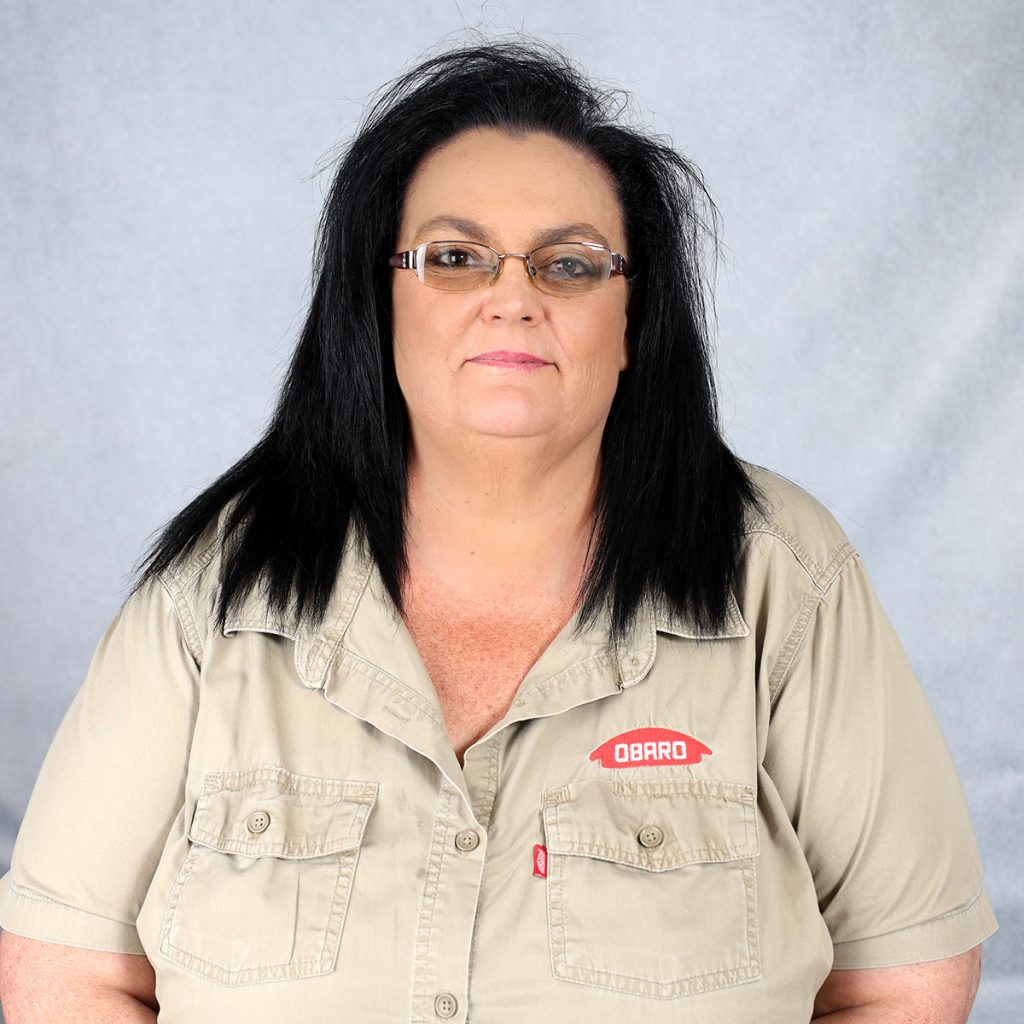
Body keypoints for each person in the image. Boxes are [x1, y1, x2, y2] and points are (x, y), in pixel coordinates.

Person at [0, 38, 997, 1024]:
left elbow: (901, 980)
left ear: (633, 321)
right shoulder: (212, 592)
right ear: (376, 301)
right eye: (454, 258)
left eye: (569, 265)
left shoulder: (784, 579)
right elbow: (65, 975)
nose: (512, 299)